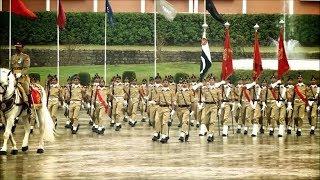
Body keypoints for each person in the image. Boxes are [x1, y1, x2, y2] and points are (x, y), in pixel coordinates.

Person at [198, 75, 222, 142]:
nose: (211, 81)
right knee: (205, 122)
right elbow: (203, 96)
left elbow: (219, 100)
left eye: (212, 80)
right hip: (206, 106)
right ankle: (211, 132)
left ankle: (210, 134)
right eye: (210, 80)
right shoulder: (205, 89)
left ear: (214, 81)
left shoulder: (217, 89)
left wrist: (219, 109)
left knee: (212, 121)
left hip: (214, 106)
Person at [153, 78, 175, 143]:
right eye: (164, 82)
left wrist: (173, 110)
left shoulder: (171, 91)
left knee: (164, 122)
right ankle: (157, 133)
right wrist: (154, 102)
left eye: (166, 82)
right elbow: (157, 100)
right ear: (162, 83)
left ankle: (164, 135)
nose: (165, 83)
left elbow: (173, 101)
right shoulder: (159, 91)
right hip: (160, 107)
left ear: (168, 83)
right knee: (157, 121)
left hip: (167, 108)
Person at [11, 42, 30, 111]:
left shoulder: (25, 57)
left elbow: (26, 67)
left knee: (27, 89)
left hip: (22, 77)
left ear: (22, 48)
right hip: (13, 76)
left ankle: (28, 105)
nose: (17, 48)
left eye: (19, 47)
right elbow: (12, 67)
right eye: (16, 47)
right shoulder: (13, 57)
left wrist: (20, 73)